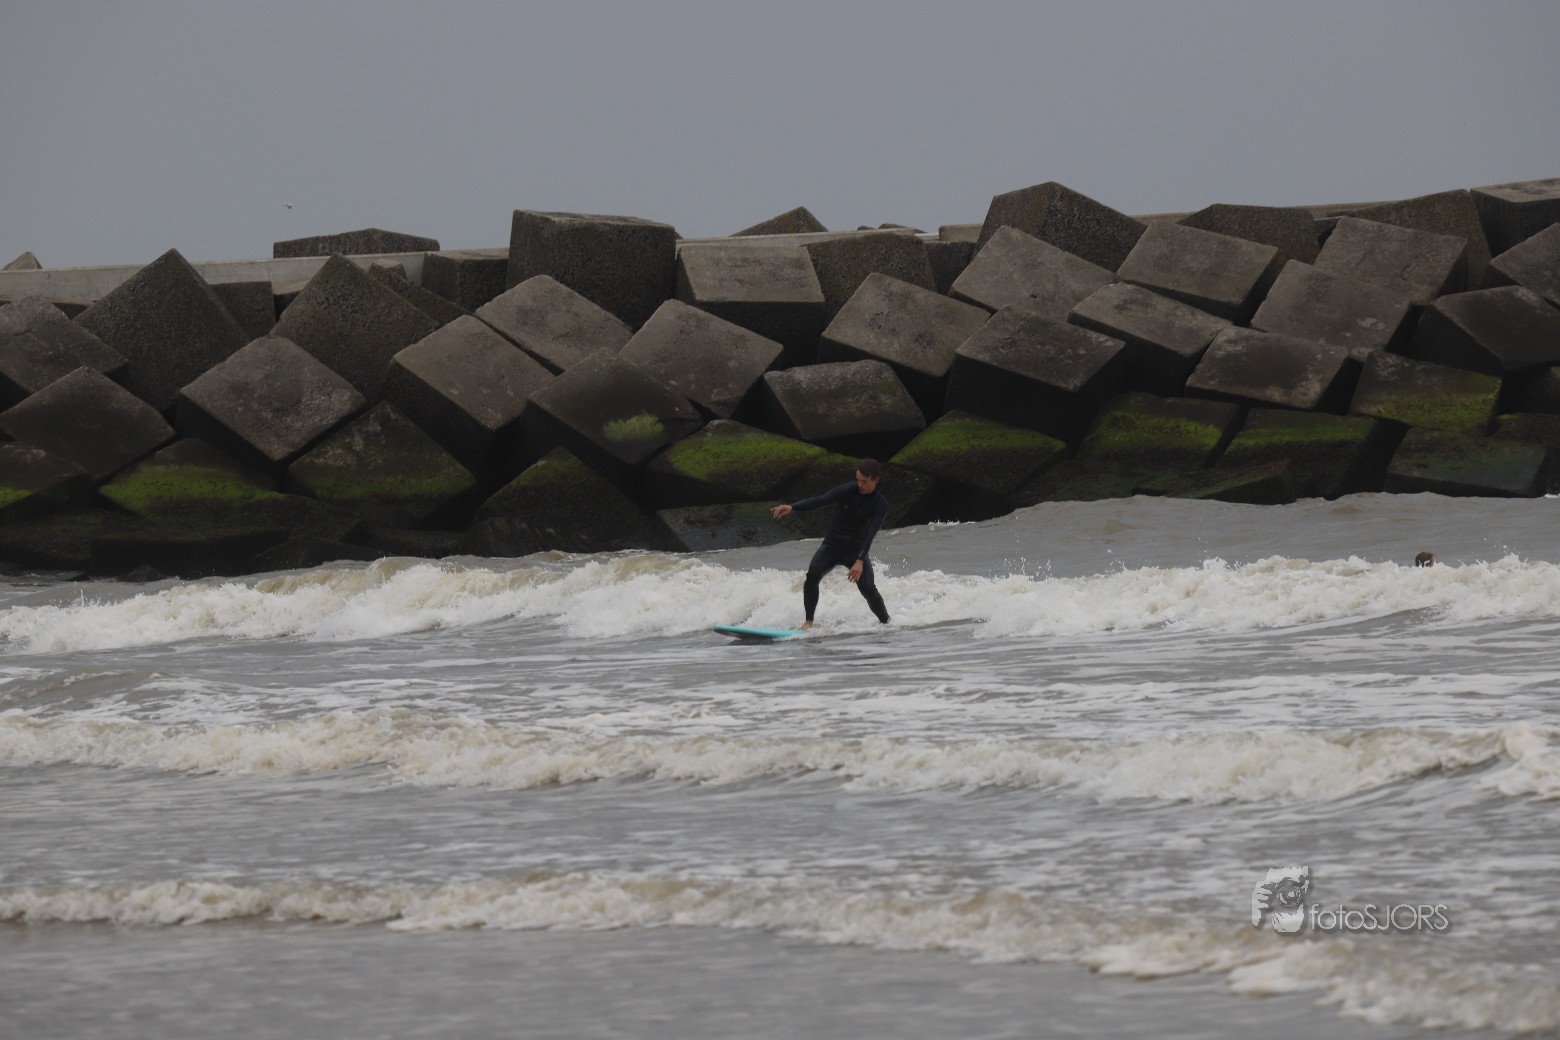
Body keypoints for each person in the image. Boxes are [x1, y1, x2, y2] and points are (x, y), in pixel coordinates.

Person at [771, 459, 891, 629]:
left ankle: (887, 624)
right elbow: (820, 500)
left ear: (875, 480)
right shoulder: (848, 490)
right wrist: (793, 507)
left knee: (868, 588)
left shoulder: (880, 505)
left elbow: (870, 534)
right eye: (858, 479)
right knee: (813, 575)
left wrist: (859, 561)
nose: (859, 484)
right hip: (833, 545)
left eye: (864, 481)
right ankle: (808, 622)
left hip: (855, 550)